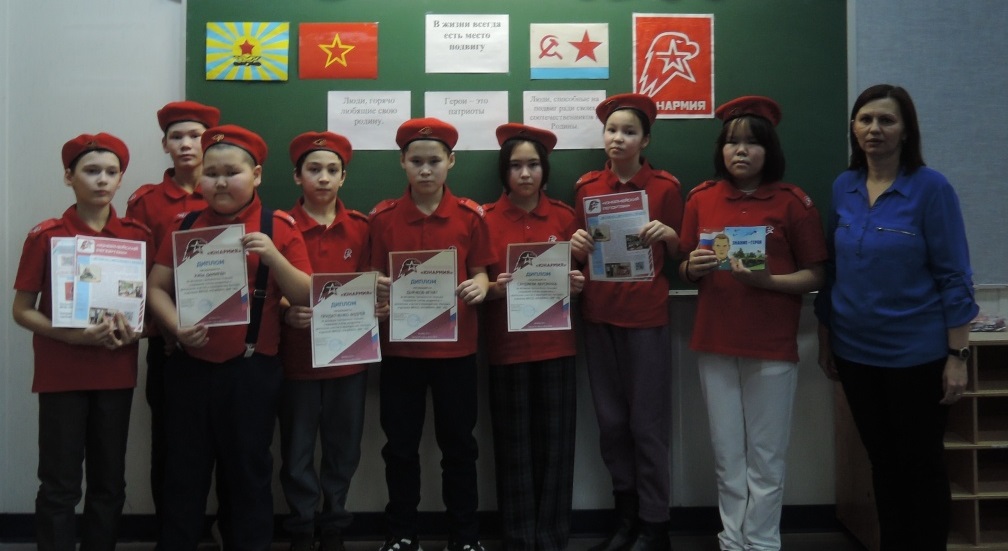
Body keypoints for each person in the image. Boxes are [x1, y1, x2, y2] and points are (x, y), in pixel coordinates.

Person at [814, 84, 978, 550]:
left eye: (887, 120)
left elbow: (954, 276)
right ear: (853, 127)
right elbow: (833, 271)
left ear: (906, 130)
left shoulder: (931, 188)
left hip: (917, 358)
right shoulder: (843, 187)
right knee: (883, 465)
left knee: (920, 468)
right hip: (855, 355)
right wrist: (827, 340)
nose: (874, 129)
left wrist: (957, 356)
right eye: (865, 119)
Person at [145, 124, 313, 551]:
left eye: (231, 172)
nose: (220, 182)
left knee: (248, 475)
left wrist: (273, 256)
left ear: (256, 175)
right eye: (211, 172)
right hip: (190, 368)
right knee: (183, 474)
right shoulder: (186, 224)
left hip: (251, 371)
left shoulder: (278, 225)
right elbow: (156, 287)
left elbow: (306, 295)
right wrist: (175, 326)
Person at [678, 96, 827, 551]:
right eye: (731, 142)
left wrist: (769, 281)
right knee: (728, 456)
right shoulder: (701, 198)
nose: (740, 151)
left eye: (752, 142)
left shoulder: (793, 202)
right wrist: (692, 268)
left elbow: (816, 275)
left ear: (769, 149)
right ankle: (731, 541)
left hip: (771, 344)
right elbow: (683, 265)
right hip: (716, 342)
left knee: (766, 457)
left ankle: (761, 543)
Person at [12, 133, 154, 551]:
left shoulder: (138, 235)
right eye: (91, 171)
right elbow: (22, 310)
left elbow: (150, 310)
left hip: (115, 373)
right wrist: (73, 336)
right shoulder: (47, 236)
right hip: (62, 376)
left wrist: (139, 330)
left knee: (109, 482)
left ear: (121, 178)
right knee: (59, 483)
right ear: (68, 176)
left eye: (111, 172)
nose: (102, 180)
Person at [368, 118, 495, 551]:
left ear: (450, 162)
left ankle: (465, 538)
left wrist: (481, 286)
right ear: (402, 162)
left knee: (459, 448)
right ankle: (402, 534)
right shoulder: (383, 218)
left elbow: (481, 272)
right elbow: (371, 274)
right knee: (400, 448)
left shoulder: (470, 216)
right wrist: (377, 287)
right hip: (400, 352)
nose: (425, 169)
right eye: (416, 161)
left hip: (455, 352)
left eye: (434, 161)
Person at [569, 94, 683, 551]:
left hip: (645, 317)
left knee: (646, 425)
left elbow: (686, 251)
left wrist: (670, 235)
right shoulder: (586, 188)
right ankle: (626, 518)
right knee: (612, 423)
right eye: (612, 130)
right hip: (599, 315)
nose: (618, 138)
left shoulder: (665, 188)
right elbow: (579, 255)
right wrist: (576, 246)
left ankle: (655, 525)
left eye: (629, 132)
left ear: (645, 140)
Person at [482, 123, 584, 551]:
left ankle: (553, 538)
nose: (525, 174)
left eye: (533, 165)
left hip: (556, 347)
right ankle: (519, 539)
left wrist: (577, 284)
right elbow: (476, 284)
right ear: (504, 171)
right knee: (514, 450)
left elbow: (584, 275)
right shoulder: (484, 219)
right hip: (507, 349)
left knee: (556, 449)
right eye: (516, 166)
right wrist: (495, 288)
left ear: (545, 170)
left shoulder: (565, 217)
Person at [278, 131, 379, 551]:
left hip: (348, 361)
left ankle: (334, 524)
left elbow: (371, 282)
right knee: (297, 451)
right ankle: (302, 527)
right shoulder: (280, 226)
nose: (323, 178)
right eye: (313, 169)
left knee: (343, 448)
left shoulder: (361, 227)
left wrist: (378, 304)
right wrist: (286, 310)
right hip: (297, 360)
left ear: (343, 177)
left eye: (332, 170)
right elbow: (266, 285)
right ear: (296, 176)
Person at [125, 99, 219, 530]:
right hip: (166, 344)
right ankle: (173, 533)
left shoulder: (227, 191)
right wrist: (163, 328)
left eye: (195, 136)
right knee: (170, 445)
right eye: (176, 137)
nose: (186, 144)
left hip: (223, 339)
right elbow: (132, 273)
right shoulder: (146, 202)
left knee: (227, 444)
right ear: (164, 144)